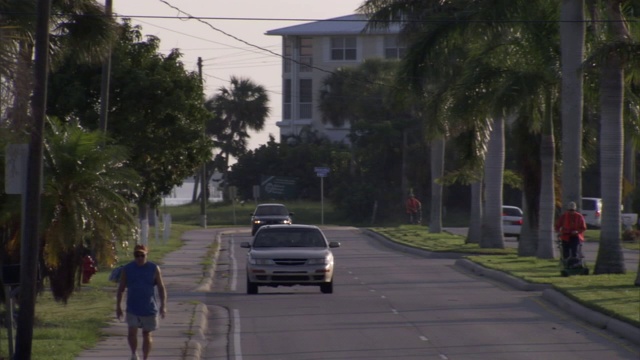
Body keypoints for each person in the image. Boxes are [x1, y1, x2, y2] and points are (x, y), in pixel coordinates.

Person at [116, 244, 167, 360]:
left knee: (146, 334)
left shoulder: (153, 268)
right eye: (136, 255)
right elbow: (121, 288)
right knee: (132, 332)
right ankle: (134, 354)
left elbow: (161, 287)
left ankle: (145, 357)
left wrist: (163, 305)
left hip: (149, 307)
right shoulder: (127, 269)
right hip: (132, 307)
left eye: (142, 255)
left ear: (146, 255)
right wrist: (118, 306)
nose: (139, 258)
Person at [554, 201, 587, 267]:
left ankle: (575, 264)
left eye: (572, 210)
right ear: (567, 210)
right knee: (566, 253)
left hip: (575, 236)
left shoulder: (579, 217)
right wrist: (559, 232)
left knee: (575, 251)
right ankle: (567, 265)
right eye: (570, 210)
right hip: (565, 236)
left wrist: (577, 231)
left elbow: (583, 228)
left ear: (575, 210)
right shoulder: (564, 216)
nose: (571, 212)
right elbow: (557, 226)